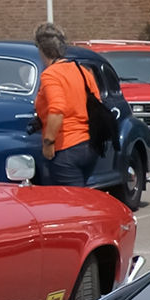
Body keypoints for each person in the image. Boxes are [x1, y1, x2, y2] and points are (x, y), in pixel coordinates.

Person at [32, 22, 99, 186]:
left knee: (71, 202)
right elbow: (96, 102)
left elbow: (57, 109)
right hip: (88, 144)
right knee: (81, 197)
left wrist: (48, 142)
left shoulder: (51, 75)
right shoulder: (81, 70)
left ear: (41, 49)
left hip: (66, 147)